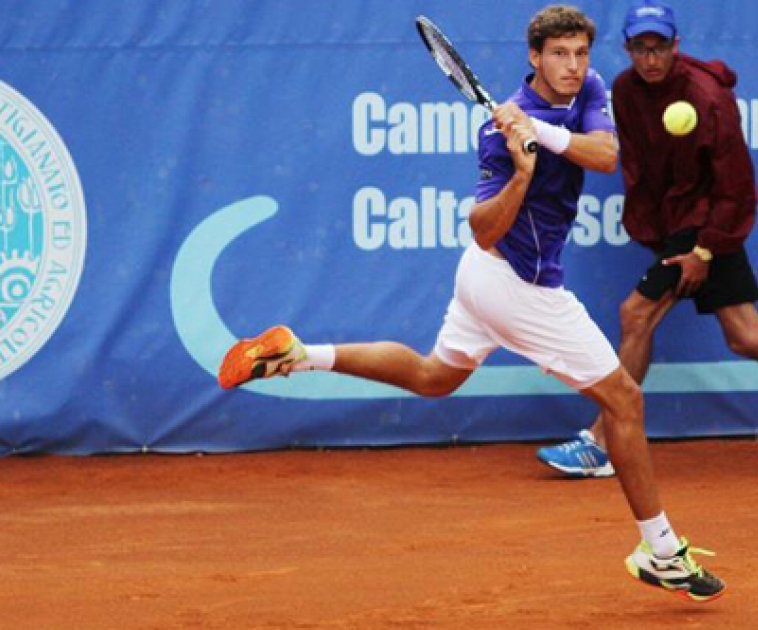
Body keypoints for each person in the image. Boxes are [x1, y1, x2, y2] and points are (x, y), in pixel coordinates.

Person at [219, 5, 724, 602]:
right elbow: (483, 229)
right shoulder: (496, 132)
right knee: (624, 398)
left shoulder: (585, 91)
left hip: (492, 282)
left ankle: (302, 354)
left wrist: (545, 136)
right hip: (513, 281)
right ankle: (661, 550)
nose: (573, 65)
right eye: (559, 55)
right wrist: (520, 176)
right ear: (534, 58)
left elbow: (607, 155)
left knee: (435, 377)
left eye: (581, 53)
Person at [537, 0, 758, 478]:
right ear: (627, 49)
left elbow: (738, 187)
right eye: (640, 49)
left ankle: (602, 442)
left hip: (707, 225)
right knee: (749, 337)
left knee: (636, 315)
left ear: (676, 46)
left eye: (659, 47)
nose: (650, 59)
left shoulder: (707, 95)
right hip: (675, 226)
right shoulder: (624, 91)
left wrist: (704, 249)